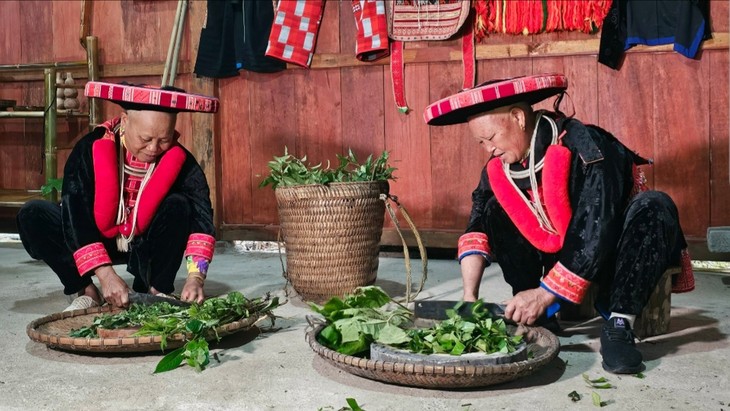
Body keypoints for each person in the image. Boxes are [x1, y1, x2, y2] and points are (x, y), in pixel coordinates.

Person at [423, 73, 695, 374]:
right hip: (560, 259)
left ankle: (619, 325)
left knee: (656, 205)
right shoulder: (499, 167)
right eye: (480, 142)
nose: (487, 148)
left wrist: (544, 294)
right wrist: (469, 297)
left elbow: (597, 227)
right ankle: (533, 313)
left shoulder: (587, 147)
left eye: (491, 138)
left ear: (518, 118)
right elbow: (477, 223)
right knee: (492, 208)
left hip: (614, 249)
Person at [16, 82, 219, 310]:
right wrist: (105, 275)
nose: (154, 148)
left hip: (142, 244)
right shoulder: (89, 148)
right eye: (146, 139)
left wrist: (195, 278)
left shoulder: (182, 162)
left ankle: (155, 289)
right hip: (95, 237)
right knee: (33, 214)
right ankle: (85, 290)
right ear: (125, 121)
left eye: (164, 139)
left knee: (179, 205)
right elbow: (76, 216)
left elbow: (201, 219)